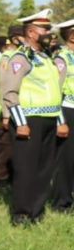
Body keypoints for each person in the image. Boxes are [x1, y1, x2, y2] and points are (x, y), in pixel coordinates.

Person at [0, 9, 68, 225]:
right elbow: (10, 92)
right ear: (30, 32)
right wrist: (20, 122)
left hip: (48, 119)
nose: (49, 32)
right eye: (44, 29)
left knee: (44, 169)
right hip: (28, 121)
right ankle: (21, 213)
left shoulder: (46, 58)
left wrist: (60, 121)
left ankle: (36, 212)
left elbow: (55, 93)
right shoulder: (20, 58)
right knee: (26, 168)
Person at [0, 25, 26, 192]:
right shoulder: (7, 57)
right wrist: (6, 114)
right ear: (15, 38)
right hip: (8, 110)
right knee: (6, 150)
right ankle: (2, 181)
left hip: (21, 110)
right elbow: (4, 87)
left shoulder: (24, 56)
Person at [51, 18, 74, 211]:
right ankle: (63, 202)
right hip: (68, 111)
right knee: (66, 159)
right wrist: (60, 121)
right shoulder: (61, 59)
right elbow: (55, 93)